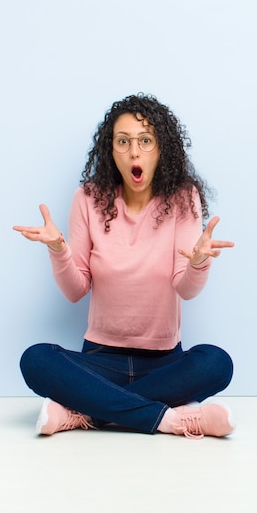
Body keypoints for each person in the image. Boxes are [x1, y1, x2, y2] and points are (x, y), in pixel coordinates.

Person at [13, 93, 235, 439]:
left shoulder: (182, 198)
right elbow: (75, 291)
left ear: (161, 149)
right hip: (99, 361)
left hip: (165, 362)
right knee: (36, 359)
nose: (134, 152)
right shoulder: (87, 199)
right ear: (111, 150)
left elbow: (186, 289)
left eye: (145, 141)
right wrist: (58, 249)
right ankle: (170, 419)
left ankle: (84, 412)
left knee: (216, 363)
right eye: (124, 141)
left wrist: (199, 262)